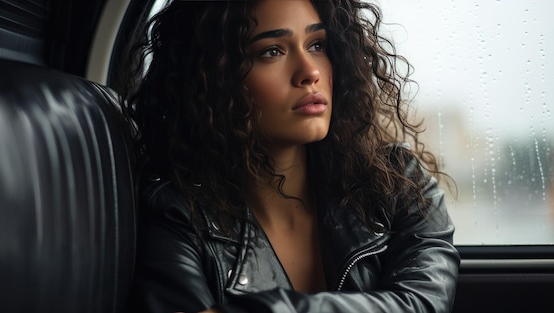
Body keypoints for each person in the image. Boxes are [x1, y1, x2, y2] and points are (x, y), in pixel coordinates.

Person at [118, 0, 460, 312]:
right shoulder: (176, 213)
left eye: (317, 45)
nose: (309, 72)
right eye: (272, 51)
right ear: (212, 78)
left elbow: (422, 304)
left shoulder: (398, 184)